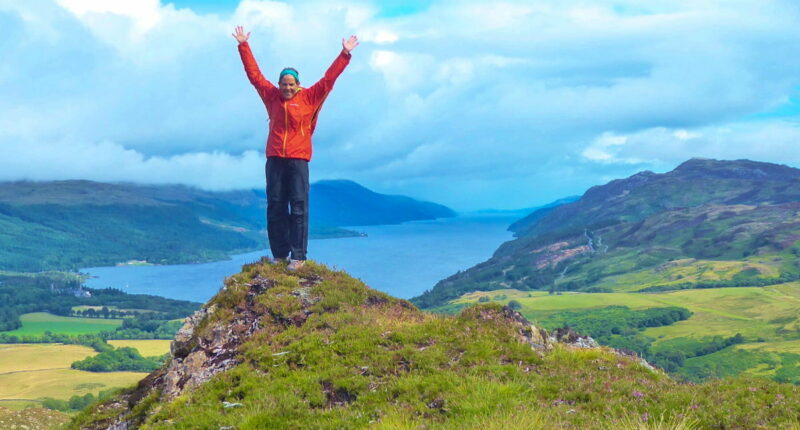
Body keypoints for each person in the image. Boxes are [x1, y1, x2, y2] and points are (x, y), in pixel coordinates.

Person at [232, 26, 358, 270]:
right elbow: (254, 75)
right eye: (283, 84)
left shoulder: (310, 97)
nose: (287, 88)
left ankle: (298, 256)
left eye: (291, 84)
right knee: (275, 206)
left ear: (298, 85)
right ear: (279, 85)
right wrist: (243, 45)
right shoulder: (271, 96)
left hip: (299, 160)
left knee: (299, 207)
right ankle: (280, 254)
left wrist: (344, 54)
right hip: (275, 159)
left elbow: (329, 80)